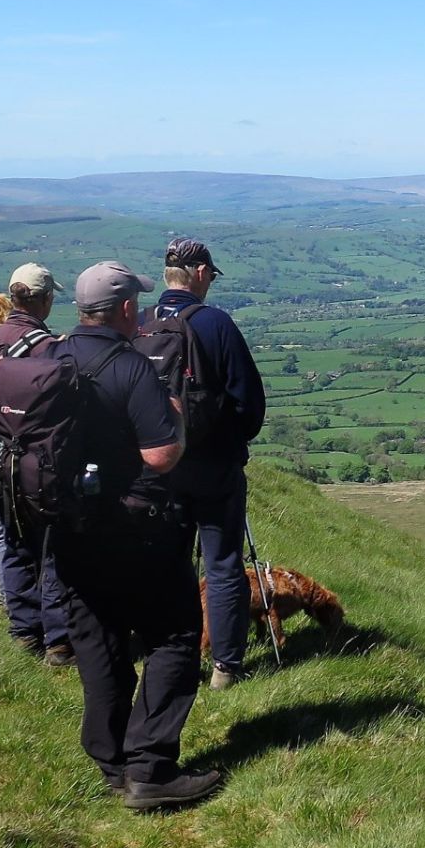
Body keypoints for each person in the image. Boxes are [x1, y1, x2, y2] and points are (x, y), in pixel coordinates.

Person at [51, 261, 220, 811]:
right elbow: (161, 454)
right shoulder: (131, 368)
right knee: (173, 636)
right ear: (126, 309)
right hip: (138, 529)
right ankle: (149, 770)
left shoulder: (46, 357)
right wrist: (175, 417)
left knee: (97, 640)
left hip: (69, 529)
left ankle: (110, 761)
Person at [150, 237, 265, 690]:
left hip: (159, 466)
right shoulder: (215, 324)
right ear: (199, 273)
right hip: (214, 465)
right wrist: (233, 441)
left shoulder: (141, 324)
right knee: (222, 564)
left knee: (169, 563)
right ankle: (226, 667)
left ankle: (171, 654)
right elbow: (249, 401)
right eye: (211, 275)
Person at [0, 264, 72, 666]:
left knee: (13, 542)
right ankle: (58, 641)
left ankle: (24, 632)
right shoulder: (45, 345)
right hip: (40, 463)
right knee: (52, 548)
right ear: (42, 300)